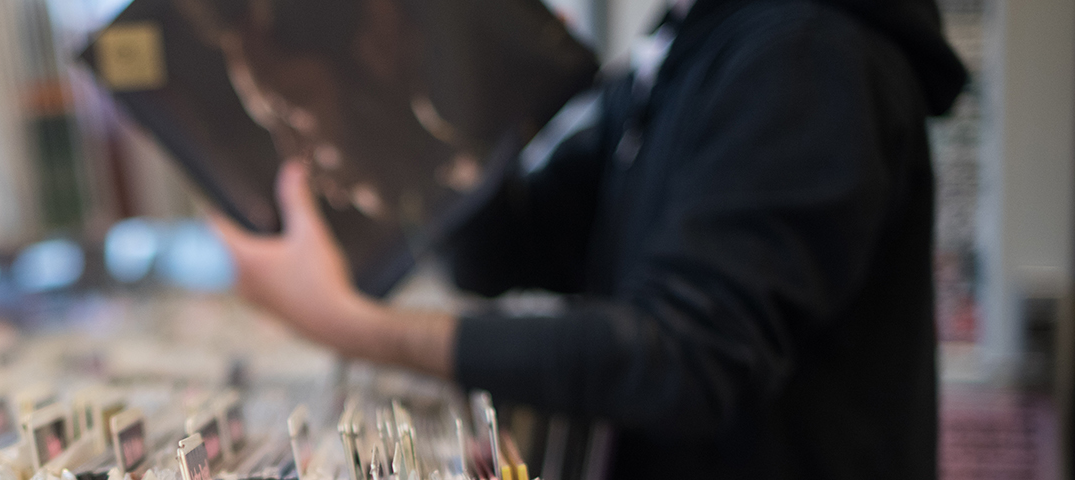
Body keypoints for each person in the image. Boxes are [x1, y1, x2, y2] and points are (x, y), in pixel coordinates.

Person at [213, 0, 966, 477]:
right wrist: (401, 108)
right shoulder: (693, 38)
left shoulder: (803, 50)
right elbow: (513, 249)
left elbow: (682, 360)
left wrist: (355, 327)